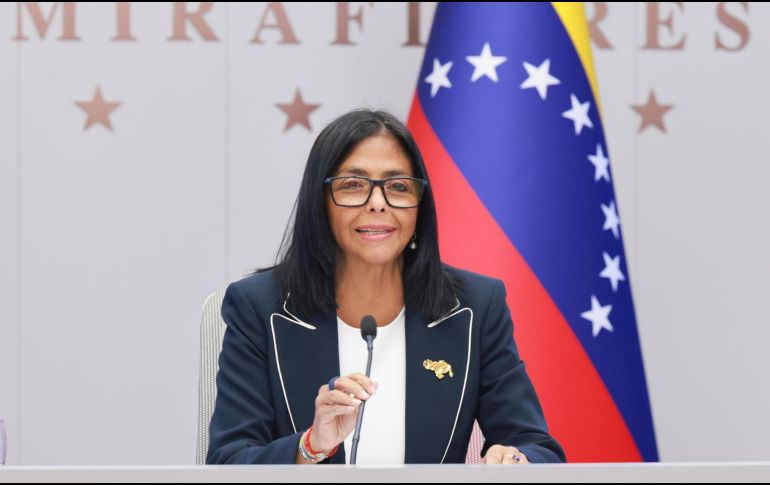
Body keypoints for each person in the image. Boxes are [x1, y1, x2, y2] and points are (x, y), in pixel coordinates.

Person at [207, 109, 565, 465]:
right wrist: (311, 446)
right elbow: (228, 462)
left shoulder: (474, 306)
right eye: (353, 185)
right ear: (320, 202)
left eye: (397, 187)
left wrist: (516, 461)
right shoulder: (260, 307)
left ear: (419, 206)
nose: (378, 203)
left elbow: (537, 447)